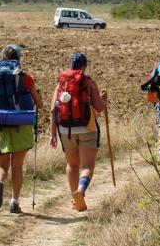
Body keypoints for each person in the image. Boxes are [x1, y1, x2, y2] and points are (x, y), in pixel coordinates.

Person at [49, 53, 108, 212]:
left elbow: (54, 109)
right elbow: (99, 108)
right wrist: (104, 99)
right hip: (87, 128)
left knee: (72, 164)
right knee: (87, 165)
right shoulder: (88, 82)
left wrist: (52, 134)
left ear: (70, 65)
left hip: (65, 129)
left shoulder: (61, 84)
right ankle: (80, 191)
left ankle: (75, 200)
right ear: (84, 66)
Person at [0, 44, 43, 213]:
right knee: (17, 166)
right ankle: (15, 202)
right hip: (21, 125)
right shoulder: (26, 78)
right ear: (18, 59)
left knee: (1, 166)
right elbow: (40, 105)